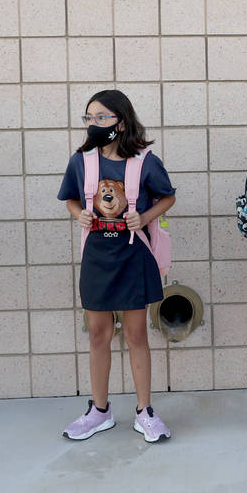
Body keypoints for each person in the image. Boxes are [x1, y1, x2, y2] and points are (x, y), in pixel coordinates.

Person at [58, 90, 176, 442]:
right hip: (97, 257)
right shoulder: (82, 160)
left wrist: (146, 216)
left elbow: (168, 196)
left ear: (120, 122)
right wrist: (79, 213)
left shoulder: (144, 161)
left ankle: (144, 412)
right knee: (98, 334)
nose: (93, 124)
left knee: (137, 334)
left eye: (101, 118)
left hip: (132, 256)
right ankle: (99, 410)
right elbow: (70, 198)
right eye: (88, 118)